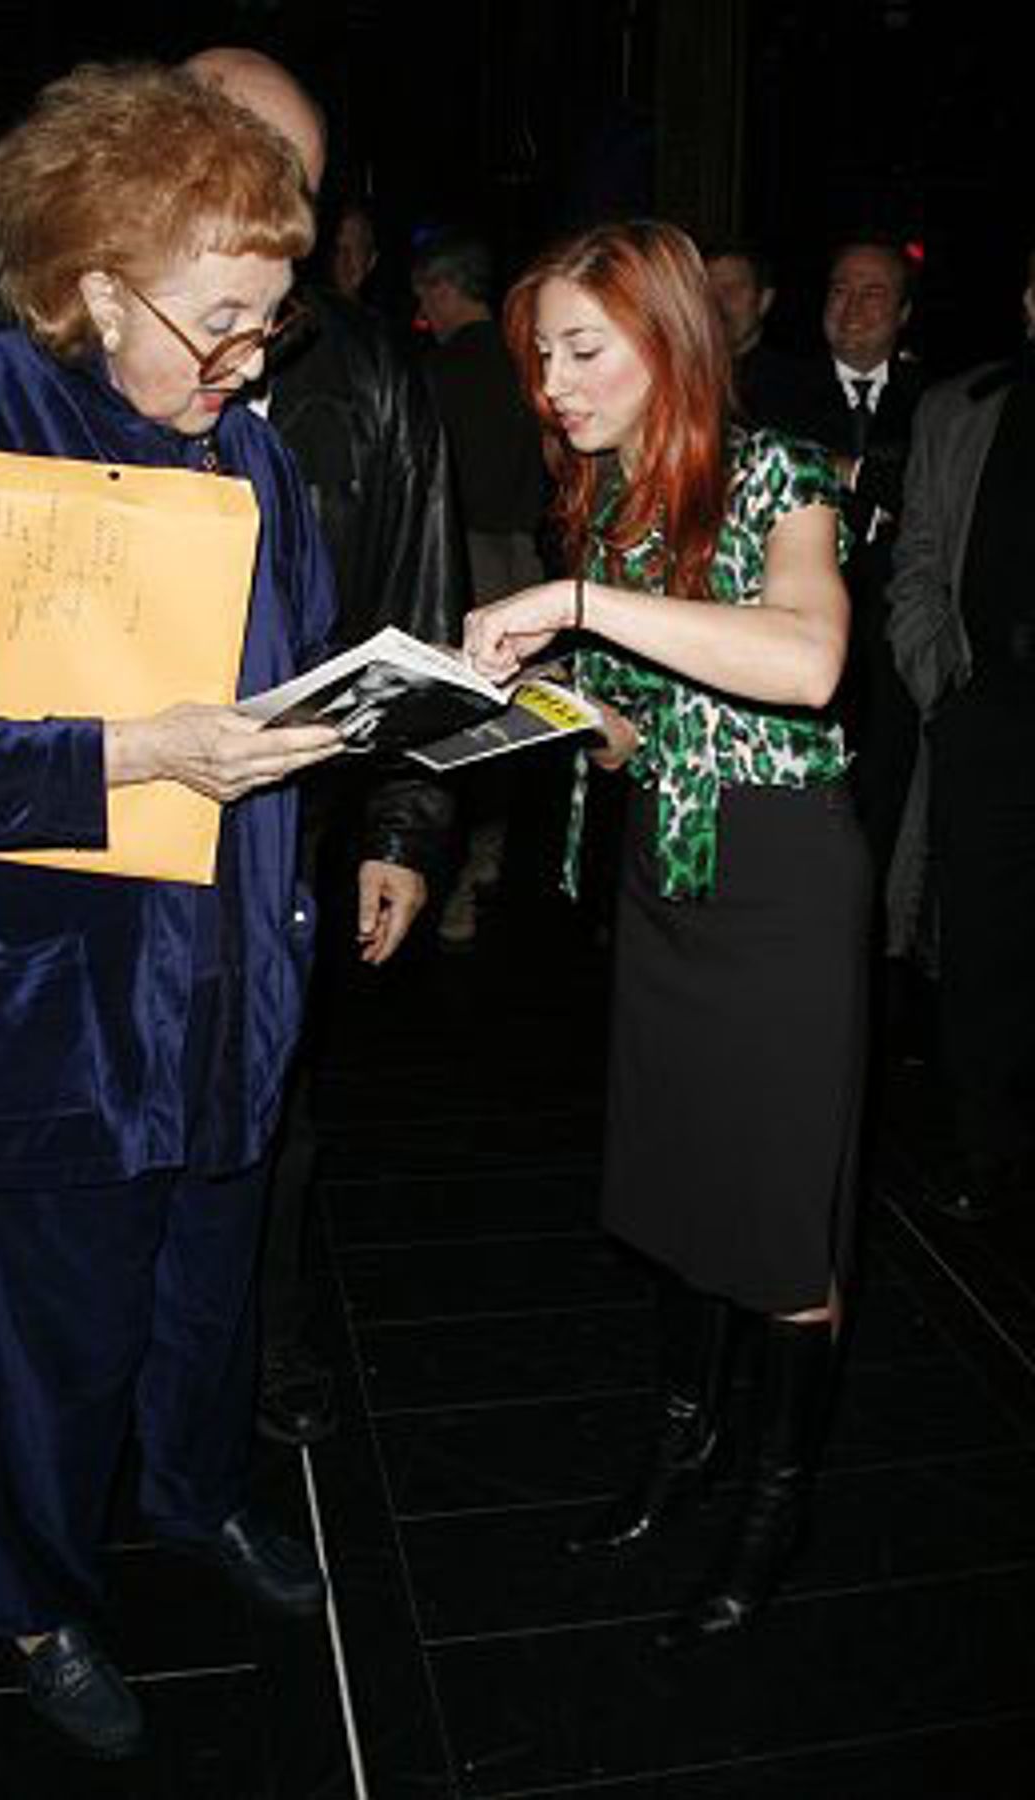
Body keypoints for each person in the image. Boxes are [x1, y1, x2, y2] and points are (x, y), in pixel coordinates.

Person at [0, 61, 366, 1761]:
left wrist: (407, 712)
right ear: (95, 285)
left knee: (204, 1308)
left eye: (270, 322)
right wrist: (140, 749)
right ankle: (41, 1594)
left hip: (225, 978)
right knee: (43, 1346)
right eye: (223, 320)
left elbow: (290, 693)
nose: (251, 360)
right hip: (39, 998)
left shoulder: (258, 461)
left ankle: (197, 1495)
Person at [462, 219, 871, 1647]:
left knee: (779, 1221)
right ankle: (683, 1453)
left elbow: (808, 663)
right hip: (667, 875)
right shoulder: (609, 499)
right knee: (683, 1190)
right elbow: (656, 723)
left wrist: (575, 601)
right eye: (539, 357)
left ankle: (775, 1504)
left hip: (780, 889)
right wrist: (563, 711)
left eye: (582, 349)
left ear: (670, 340)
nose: (554, 383)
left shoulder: (782, 473)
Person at [184, 47, 464, 1445]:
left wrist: (406, 832)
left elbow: (415, 607)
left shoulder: (367, 372)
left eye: (285, 170)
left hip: (288, 815)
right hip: (98, 800)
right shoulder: (32, 339)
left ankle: (267, 1347)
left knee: (274, 1105)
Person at [884, 241, 1035, 1223]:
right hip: (991, 715)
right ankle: (988, 1149)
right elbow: (920, 562)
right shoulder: (962, 407)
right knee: (983, 945)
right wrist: (942, 681)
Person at [410, 226, 547, 945]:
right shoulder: (532, 357)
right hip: (526, 560)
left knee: (461, 727)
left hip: (469, 562)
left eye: (422, 295)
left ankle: (455, 882)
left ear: (440, 287)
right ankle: (491, 864)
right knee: (513, 725)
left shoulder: (443, 371)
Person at [811, 235, 926, 884]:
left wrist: (848, 472)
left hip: (893, 635)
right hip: (800, 625)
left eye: (873, 292)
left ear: (904, 312)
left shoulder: (937, 399)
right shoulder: (780, 389)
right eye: (839, 290)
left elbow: (926, 492)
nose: (852, 308)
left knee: (886, 787)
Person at [702, 239, 829, 439]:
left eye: (733, 289)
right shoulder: (679, 380)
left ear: (764, 301)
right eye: (708, 291)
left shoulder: (799, 388)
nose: (719, 302)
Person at [327, 197, 380, 304]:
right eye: (340, 249)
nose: (345, 261)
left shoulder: (378, 318)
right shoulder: (306, 309)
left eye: (357, 249)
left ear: (371, 261)